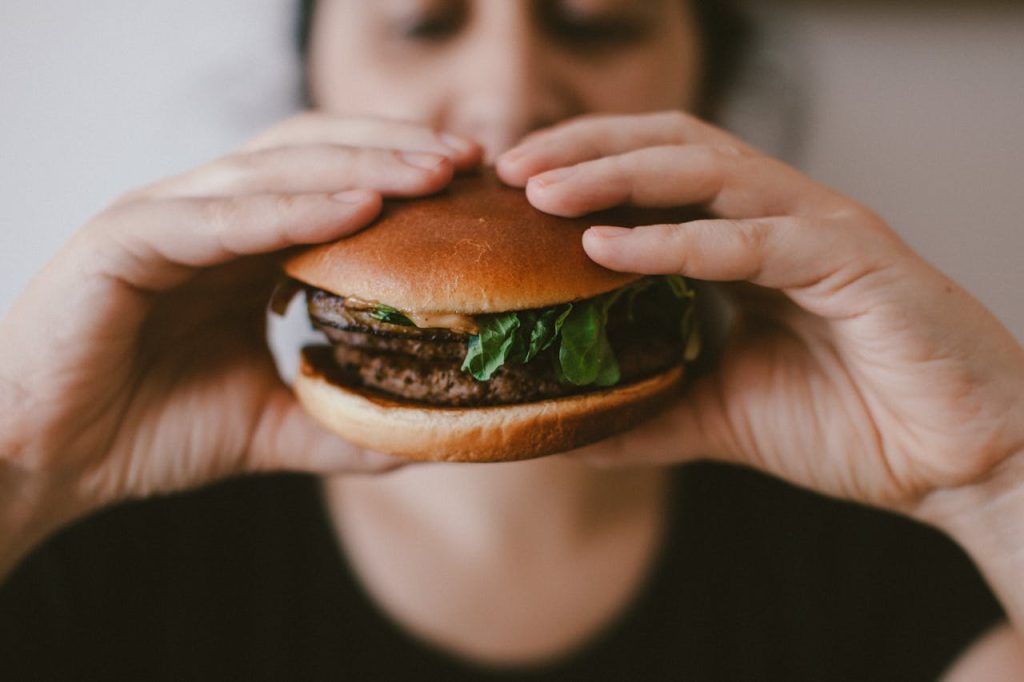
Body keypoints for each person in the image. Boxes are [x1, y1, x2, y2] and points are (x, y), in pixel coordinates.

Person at [1, 0, 1022, 679]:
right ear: (311, 88)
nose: (506, 95)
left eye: (598, 23)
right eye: (421, 22)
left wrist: (1000, 480)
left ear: (703, 91)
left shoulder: (883, 552)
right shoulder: (94, 544)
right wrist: (22, 467)